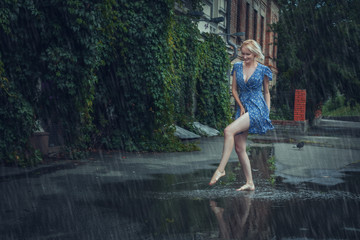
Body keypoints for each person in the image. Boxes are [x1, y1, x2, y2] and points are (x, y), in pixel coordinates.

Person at [209, 39, 274, 191]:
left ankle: (221, 169)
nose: (244, 57)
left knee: (228, 131)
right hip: (243, 109)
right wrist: (239, 106)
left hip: (257, 108)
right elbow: (234, 90)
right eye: (242, 54)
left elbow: (266, 92)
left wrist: (267, 113)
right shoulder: (237, 67)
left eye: (248, 54)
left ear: (255, 54)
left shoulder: (263, 70)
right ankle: (250, 182)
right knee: (239, 148)